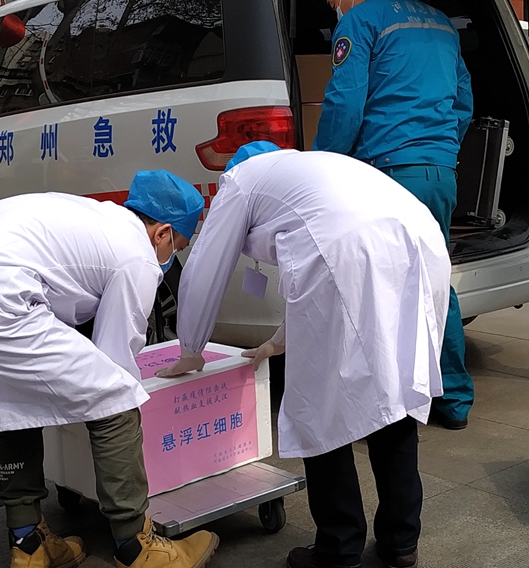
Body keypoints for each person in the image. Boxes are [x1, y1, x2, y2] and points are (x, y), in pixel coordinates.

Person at [0, 172, 219, 568]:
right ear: (162, 233)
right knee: (115, 396)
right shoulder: (137, 255)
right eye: (178, 245)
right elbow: (115, 357)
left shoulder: (98, 219)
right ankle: (137, 545)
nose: (172, 255)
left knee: (19, 396)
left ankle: (28, 543)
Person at [156, 142, 451, 568]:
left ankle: (339, 547)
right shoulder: (309, 169)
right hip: (420, 240)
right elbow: (318, 269)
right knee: (397, 392)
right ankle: (401, 542)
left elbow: (206, 265)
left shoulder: (240, 180)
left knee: (317, 404)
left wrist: (189, 347)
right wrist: (277, 343)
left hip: (350, 249)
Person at [312, 0, 475, 429]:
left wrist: (322, 166)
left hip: (388, 175)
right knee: (434, 281)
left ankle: (388, 405)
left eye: (334, 1)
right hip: (439, 173)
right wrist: (438, 148)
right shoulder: (440, 22)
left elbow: (345, 103)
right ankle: (454, 399)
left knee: (382, 290)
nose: (337, 10)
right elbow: (463, 102)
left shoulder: (360, 21)